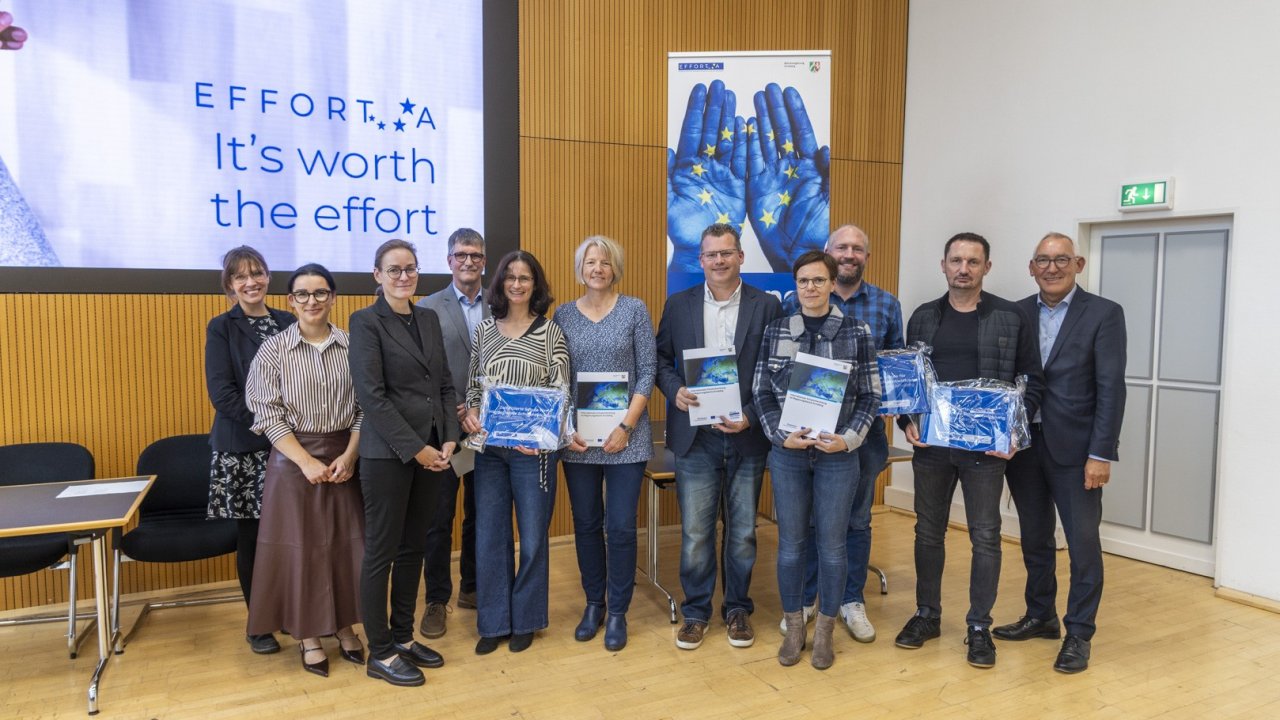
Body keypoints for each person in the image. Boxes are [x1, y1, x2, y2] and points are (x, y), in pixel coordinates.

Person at [893, 232, 1043, 669]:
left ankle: (978, 626)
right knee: (927, 532)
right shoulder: (922, 317)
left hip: (986, 451)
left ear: (987, 268)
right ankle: (927, 615)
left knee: (985, 536)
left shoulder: (1011, 317)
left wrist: (1014, 430)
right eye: (956, 260)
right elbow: (909, 383)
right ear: (943, 265)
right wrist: (906, 421)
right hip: (934, 448)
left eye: (973, 262)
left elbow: (1031, 379)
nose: (963, 268)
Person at [994, 232, 1126, 674]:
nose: (1052, 268)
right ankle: (1041, 616)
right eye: (1043, 261)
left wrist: (1102, 453)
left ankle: (1079, 634)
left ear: (1079, 264)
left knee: (1083, 544)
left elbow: (1111, 388)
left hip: (1078, 451)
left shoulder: (1104, 314)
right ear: (1031, 267)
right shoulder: (1014, 313)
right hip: (1025, 447)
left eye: (1061, 259)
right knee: (1034, 538)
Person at [655, 222, 783, 650]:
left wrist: (750, 415)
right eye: (711, 254)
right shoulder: (679, 305)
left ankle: (738, 609)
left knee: (743, 530)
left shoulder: (767, 307)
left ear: (741, 256)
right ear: (701, 260)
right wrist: (675, 391)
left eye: (727, 253)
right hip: (697, 438)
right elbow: (661, 360)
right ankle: (695, 613)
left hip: (747, 436)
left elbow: (777, 371)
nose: (719, 261)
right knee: (695, 532)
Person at [754, 250, 880, 669]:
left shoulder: (856, 332)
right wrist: (779, 434)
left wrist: (847, 440)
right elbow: (761, 393)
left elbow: (870, 396)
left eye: (819, 280)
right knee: (790, 546)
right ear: (796, 286)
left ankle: (824, 630)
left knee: (832, 546)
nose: (810, 288)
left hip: (837, 456)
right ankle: (795, 626)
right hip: (788, 455)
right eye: (803, 281)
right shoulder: (776, 330)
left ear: (832, 283)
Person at [780, 224, 904, 643]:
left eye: (857, 248)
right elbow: (770, 386)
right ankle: (812, 598)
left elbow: (891, 378)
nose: (850, 253)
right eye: (842, 247)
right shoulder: (786, 318)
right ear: (829, 255)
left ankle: (850, 600)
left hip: (858, 442)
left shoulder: (884, 307)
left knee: (855, 521)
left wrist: (853, 435)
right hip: (800, 445)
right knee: (812, 526)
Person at [244, 263, 364, 678]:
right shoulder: (273, 350)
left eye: (320, 293)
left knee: (346, 546)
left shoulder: (353, 345)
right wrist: (306, 461)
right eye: (302, 294)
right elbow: (267, 413)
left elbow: (366, 409)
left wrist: (350, 455)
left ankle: (345, 625)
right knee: (300, 549)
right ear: (290, 301)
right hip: (293, 459)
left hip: (344, 457)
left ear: (333, 297)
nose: (312, 301)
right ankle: (308, 635)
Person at [349, 239, 459, 687]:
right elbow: (371, 398)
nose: (403, 276)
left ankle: (402, 637)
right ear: (377, 275)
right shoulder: (365, 322)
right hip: (389, 455)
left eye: (410, 269)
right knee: (381, 552)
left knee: (416, 546)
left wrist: (451, 437)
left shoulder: (428, 318)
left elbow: (445, 387)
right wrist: (417, 449)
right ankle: (380, 651)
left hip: (435, 451)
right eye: (393, 270)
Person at [463, 250, 569, 656]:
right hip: (490, 450)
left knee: (533, 537)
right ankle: (493, 622)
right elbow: (474, 385)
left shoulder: (550, 333)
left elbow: (560, 392)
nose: (517, 284)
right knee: (490, 536)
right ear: (500, 284)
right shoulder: (485, 331)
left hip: (533, 452)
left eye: (525, 278)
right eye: (510, 277)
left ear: (535, 284)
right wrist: (473, 412)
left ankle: (525, 620)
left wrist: (541, 436)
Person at [553, 235, 656, 652]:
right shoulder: (561, 315)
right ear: (581, 269)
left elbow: (647, 371)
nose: (597, 268)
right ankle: (594, 603)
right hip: (578, 441)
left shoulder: (634, 310)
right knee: (586, 524)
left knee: (619, 526)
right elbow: (557, 379)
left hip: (625, 440)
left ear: (616, 268)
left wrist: (626, 427)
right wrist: (564, 428)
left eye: (605, 262)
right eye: (590, 262)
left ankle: (618, 611)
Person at [204, 246, 296, 656]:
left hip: (294, 446)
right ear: (229, 285)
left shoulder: (289, 320)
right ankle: (259, 624)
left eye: (257, 272)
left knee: (294, 535)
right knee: (254, 539)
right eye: (241, 277)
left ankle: (296, 613)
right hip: (245, 447)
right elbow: (222, 393)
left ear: (268, 276)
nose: (251, 282)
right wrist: (271, 426)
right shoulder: (221, 327)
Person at [415, 228, 487, 639]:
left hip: (489, 430)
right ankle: (437, 600)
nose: (469, 262)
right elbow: (420, 372)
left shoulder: (500, 305)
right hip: (443, 431)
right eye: (461, 255)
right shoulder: (427, 308)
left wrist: (480, 410)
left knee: (481, 515)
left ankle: (474, 588)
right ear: (449, 261)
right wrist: (455, 409)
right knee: (438, 520)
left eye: (476, 255)